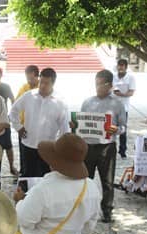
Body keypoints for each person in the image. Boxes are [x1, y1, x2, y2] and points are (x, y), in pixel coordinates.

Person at [79, 69, 125, 223]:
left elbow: (124, 126)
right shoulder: (87, 102)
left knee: (107, 182)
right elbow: (81, 122)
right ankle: (85, 210)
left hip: (107, 147)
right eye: (96, 84)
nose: (97, 87)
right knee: (86, 180)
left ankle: (107, 211)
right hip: (89, 146)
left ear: (110, 85)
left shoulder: (117, 104)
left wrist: (116, 129)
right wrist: (75, 124)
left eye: (100, 84)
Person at [9, 68, 69, 177]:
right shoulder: (29, 96)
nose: (42, 86)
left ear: (53, 83)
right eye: (41, 82)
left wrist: (59, 148)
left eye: (46, 83)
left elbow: (64, 127)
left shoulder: (60, 102)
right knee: (27, 176)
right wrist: (18, 127)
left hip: (48, 148)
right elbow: (13, 111)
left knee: (45, 177)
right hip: (28, 144)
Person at [14, 64, 40, 176]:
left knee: (38, 152)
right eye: (27, 77)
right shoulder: (24, 88)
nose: (28, 80)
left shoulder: (42, 88)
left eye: (31, 77)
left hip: (39, 127)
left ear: (37, 76)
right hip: (24, 127)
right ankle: (24, 172)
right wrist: (18, 126)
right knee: (23, 151)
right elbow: (16, 107)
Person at [113, 58, 136, 158]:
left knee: (122, 130)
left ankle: (122, 150)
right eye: (119, 65)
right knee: (111, 128)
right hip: (112, 107)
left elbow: (131, 92)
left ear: (126, 67)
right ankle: (111, 148)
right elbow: (111, 88)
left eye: (122, 65)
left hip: (124, 107)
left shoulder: (130, 77)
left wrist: (121, 94)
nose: (120, 67)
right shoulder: (113, 76)